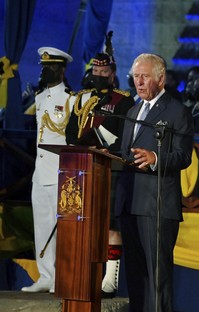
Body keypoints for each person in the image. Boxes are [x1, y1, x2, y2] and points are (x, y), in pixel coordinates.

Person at [115, 53, 193, 312]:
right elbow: (125, 153)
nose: (138, 81)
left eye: (144, 76)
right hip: (130, 201)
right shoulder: (133, 111)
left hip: (157, 203)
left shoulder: (176, 111)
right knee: (135, 272)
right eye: (135, 76)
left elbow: (184, 156)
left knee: (157, 271)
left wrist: (155, 159)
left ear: (161, 78)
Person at [65, 39, 135, 297]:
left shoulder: (123, 101)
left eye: (103, 73)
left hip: (111, 168)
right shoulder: (81, 99)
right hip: (81, 168)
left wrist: (103, 143)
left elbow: (124, 136)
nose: (98, 77)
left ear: (112, 74)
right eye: (95, 73)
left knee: (111, 226)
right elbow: (71, 132)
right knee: (83, 222)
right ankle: (83, 274)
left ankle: (110, 278)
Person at [22, 47, 74, 293]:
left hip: (61, 172)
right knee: (41, 225)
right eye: (43, 66)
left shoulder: (71, 99)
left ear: (61, 70)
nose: (44, 70)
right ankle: (45, 276)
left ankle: (61, 277)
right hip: (40, 171)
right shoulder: (40, 98)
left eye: (50, 66)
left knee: (63, 226)